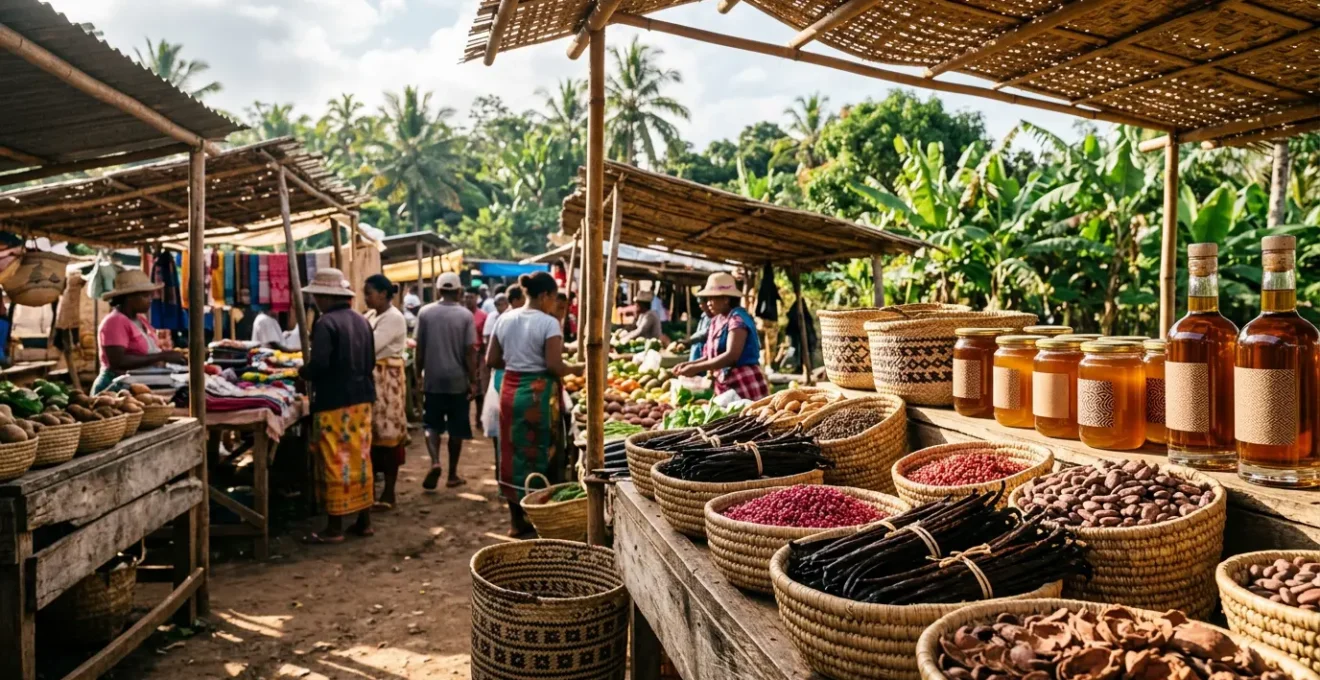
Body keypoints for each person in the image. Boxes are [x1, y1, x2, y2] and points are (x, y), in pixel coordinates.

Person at [486, 272, 582, 536]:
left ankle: (516, 521)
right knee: (544, 454)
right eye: (554, 298)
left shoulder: (504, 318)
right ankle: (543, 520)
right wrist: (577, 367)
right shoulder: (548, 324)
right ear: (544, 296)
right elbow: (554, 365)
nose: (555, 304)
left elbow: (491, 359)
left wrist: (518, 365)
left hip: (510, 392)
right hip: (539, 397)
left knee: (512, 454)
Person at [298, 268, 376, 543]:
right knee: (361, 457)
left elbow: (320, 364)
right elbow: (371, 362)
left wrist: (303, 372)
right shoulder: (362, 321)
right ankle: (364, 520)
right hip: (362, 399)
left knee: (335, 459)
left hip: (334, 402)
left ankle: (334, 527)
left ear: (324, 296)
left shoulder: (325, 323)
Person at [414, 272, 478, 490]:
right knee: (456, 427)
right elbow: (470, 351)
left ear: (439, 290)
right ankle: (452, 475)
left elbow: (419, 350)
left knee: (431, 424)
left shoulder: (425, 313)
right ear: (458, 291)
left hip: (432, 379)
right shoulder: (465, 316)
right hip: (457, 380)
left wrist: (418, 375)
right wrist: (473, 380)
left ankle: (435, 461)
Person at [673, 273, 768, 400]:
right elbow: (710, 356)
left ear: (726, 299)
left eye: (713, 298)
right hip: (725, 383)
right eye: (707, 299)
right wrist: (688, 364)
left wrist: (696, 368)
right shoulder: (716, 320)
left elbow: (731, 356)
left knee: (747, 418)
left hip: (742, 382)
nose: (709, 303)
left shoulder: (737, 320)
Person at [93, 270, 185, 394]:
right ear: (130, 297)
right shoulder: (114, 321)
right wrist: (162, 356)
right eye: (145, 296)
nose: (150, 300)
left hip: (138, 384)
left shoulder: (140, 319)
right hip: (115, 388)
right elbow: (118, 362)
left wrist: (168, 355)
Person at [363, 274, 409, 510]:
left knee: (389, 437)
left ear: (383, 293)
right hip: (374, 382)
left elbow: (369, 345)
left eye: (369, 293)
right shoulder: (372, 315)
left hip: (387, 383)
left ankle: (389, 492)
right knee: (372, 438)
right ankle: (371, 492)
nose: (366, 298)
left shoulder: (394, 318)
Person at [465, 289, 489, 428]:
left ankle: (479, 419)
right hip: (464, 356)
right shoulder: (461, 315)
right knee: (465, 390)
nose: (469, 300)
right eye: (466, 297)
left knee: (479, 390)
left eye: (471, 297)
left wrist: (482, 361)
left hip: (478, 355)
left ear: (477, 298)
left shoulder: (483, 316)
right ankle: (465, 421)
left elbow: (485, 339)